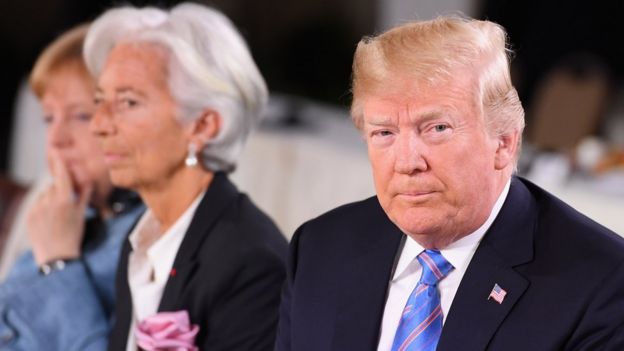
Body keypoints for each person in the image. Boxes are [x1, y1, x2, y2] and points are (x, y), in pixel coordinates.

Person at [276, 16, 624, 351]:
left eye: (437, 128)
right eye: (385, 132)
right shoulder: (319, 249)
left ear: (503, 142)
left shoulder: (602, 283)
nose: (408, 162)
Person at [84, 3, 287, 350]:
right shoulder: (140, 241)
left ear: (203, 126)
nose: (98, 124)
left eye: (128, 102)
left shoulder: (252, 263)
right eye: (100, 99)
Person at [0, 24, 144, 350]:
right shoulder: (67, 211)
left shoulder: (148, 239)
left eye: (81, 116)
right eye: (49, 118)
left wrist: (59, 262)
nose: (56, 140)